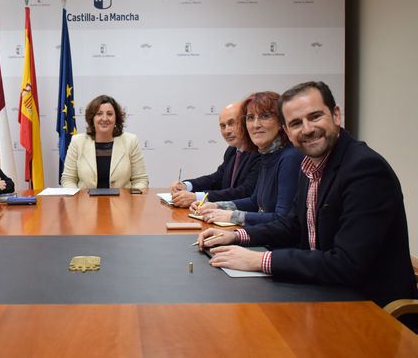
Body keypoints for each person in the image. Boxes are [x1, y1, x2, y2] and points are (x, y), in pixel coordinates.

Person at [197, 81, 417, 307]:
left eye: (315, 117)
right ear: (287, 131)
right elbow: (291, 225)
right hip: (324, 291)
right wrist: (236, 236)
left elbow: (347, 263)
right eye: (295, 123)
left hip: (370, 308)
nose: (307, 129)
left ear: (336, 115)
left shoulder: (365, 169)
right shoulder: (310, 164)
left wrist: (260, 260)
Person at [192, 92, 303, 226]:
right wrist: (216, 206)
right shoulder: (267, 153)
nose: (256, 124)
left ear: (281, 122)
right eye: (250, 118)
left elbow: (283, 219)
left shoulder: (289, 158)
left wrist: (233, 216)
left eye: (265, 116)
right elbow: (254, 201)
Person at [169, 102, 260, 207]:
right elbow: (216, 179)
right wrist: (186, 186)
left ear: (245, 122)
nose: (227, 131)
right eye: (223, 126)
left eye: (232, 123)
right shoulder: (232, 150)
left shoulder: (258, 151)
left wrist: (198, 197)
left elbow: (245, 191)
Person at [61, 95, 149, 189]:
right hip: (86, 202)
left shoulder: (130, 141)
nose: (104, 118)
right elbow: (68, 179)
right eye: (99, 114)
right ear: (92, 118)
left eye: (109, 114)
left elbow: (140, 180)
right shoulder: (77, 142)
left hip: (122, 202)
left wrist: (130, 199)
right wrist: (77, 199)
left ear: (116, 118)